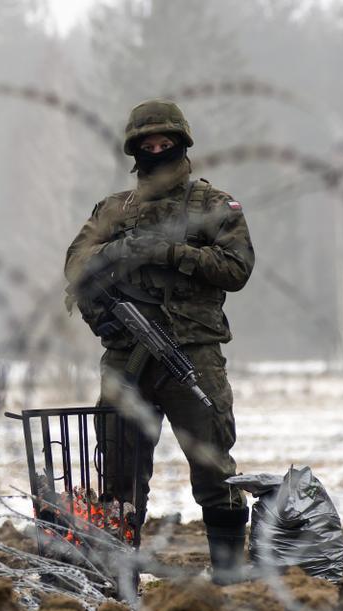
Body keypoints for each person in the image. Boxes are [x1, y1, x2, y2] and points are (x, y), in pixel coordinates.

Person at [64, 99, 255, 585]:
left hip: (191, 353)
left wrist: (173, 253)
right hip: (127, 357)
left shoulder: (214, 206)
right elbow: (76, 267)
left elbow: (237, 270)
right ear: (134, 151)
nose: (156, 151)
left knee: (214, 468)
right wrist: (122, 252)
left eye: (164, 143)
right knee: (120, 476)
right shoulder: (113, 210)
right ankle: (118, 578)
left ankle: (229, 575)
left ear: (181, 144)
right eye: (146, 145)